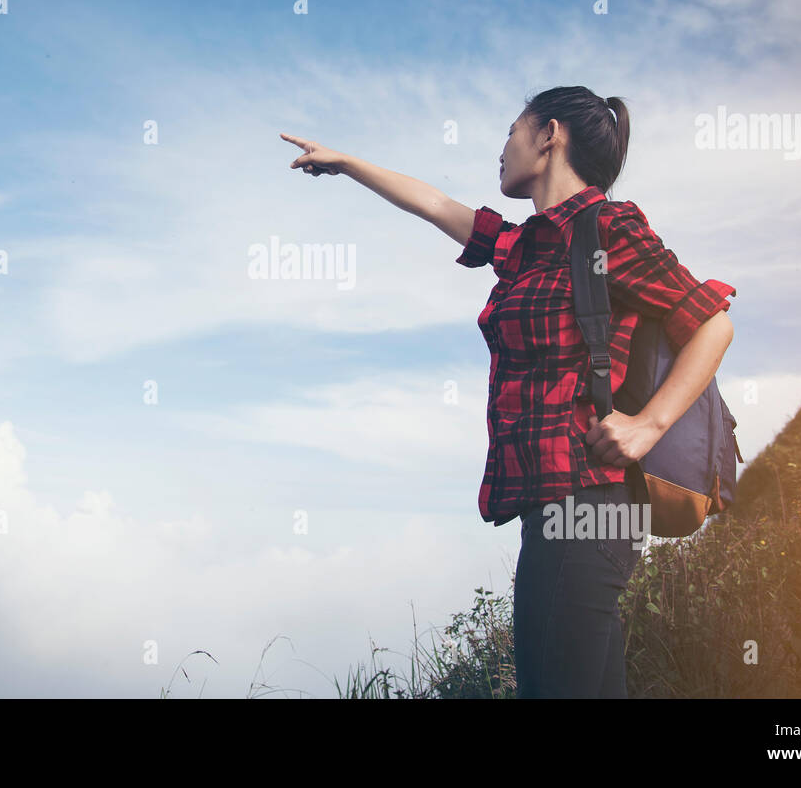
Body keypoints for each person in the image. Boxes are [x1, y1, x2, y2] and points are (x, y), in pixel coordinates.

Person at [280, 85, 736, 697]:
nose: (501, 150)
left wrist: (647, 424)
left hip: (588, 503)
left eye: (510, 132)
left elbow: (710, 321)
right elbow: (437, 204)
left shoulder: (607, 228)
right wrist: (348, 163)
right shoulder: (527, 246)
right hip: (551, 504)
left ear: (549, 135)